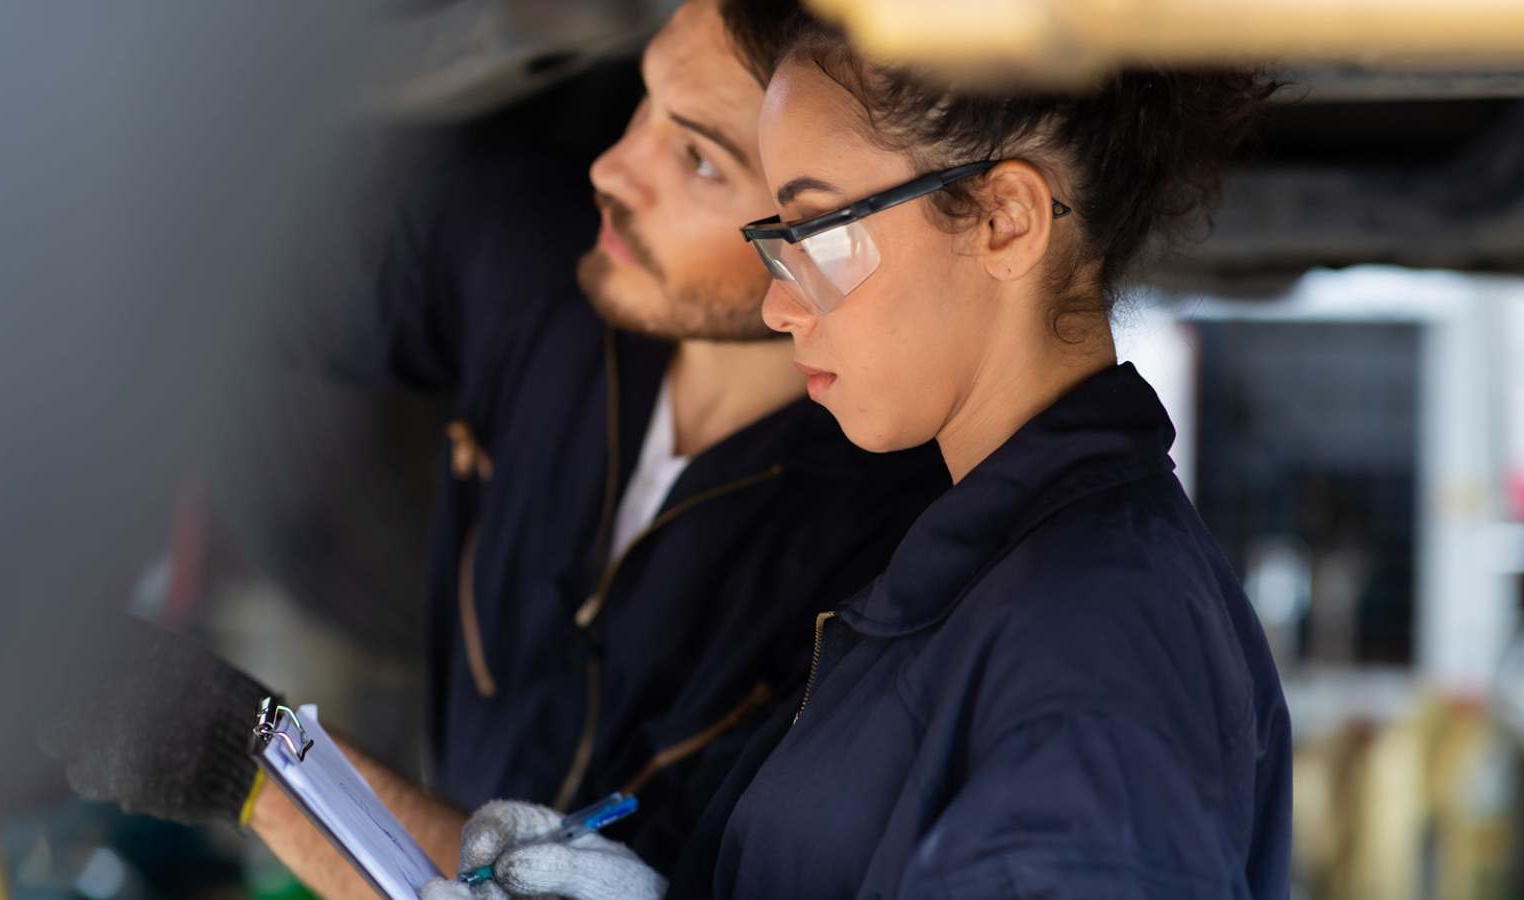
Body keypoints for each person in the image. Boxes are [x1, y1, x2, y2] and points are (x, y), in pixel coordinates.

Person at [38, 2, 947, 898]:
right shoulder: (534, 250)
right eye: (643, 105)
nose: (611, 169)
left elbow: (548, 892)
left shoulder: (885, 578)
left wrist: (250, 758)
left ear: (823, 228)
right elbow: (223, 289)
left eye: (699, 159)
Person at [429, 13, 1292, 900]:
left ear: (1005, 219)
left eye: (816, 232)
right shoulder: (982, 578)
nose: (779, 306)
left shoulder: (1098, 634)